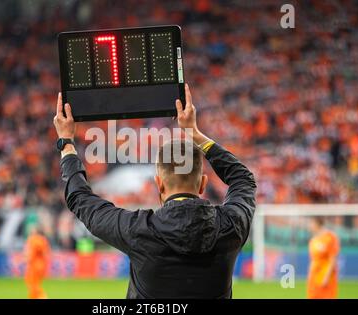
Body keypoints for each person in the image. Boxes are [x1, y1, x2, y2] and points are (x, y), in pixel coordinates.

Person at [53, 84, 257, 298]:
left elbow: (80, 199)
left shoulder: (139, 230)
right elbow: (243, 178)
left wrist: (66, 143)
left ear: (159, 185)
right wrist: (195, 134)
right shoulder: (231, 225)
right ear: (202, 184)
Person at [307, 217, 340, 299]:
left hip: (326, 277)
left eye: (311, 223)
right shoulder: (313, 241)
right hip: (314, 278)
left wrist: (326, 277)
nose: (309, 226)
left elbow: (333, 260)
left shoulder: (330, 238)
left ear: (317, 224)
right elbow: (313, 260)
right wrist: (310, 275)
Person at [24, 226, 50, 299]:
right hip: (41, 265)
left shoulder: (33, 239)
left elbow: (30, 253)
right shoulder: (43, 240)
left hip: (34, 265)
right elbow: (46, 253)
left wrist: (27, 259)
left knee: (32, 284)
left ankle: (42, 297)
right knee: (34, 284)